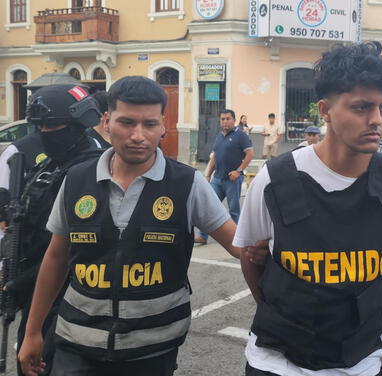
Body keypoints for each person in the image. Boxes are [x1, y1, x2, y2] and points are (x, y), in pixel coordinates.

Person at [18, 76, 241, 376]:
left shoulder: (187, 184)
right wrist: (33, 332)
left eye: (149, 124)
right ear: (107, 121)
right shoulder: (76, 181)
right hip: (77, 345)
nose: (138, 135)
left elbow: (240, 245)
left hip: (153, 351)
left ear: (163, 125)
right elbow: (56, 258)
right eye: (127, 122)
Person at [235, 41, 382, 376]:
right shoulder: (273, 180)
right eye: (361, 107)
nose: (376, 120)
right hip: (276, 363)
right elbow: (251, 259)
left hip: (360, 363)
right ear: (325, 110)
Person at [0, 84, 104, 376]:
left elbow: (75, 249)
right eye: (40, 126)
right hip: (37, 297)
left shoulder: (92, 171)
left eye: (54, 124)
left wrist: (22, 282)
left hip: (71, 303)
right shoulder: (46, 167)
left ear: (79, 123)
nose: (46, 133)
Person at [194, 109, 253, 245]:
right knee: (208, 207)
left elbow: (250, 153)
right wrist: (208, 175)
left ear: (233, 119)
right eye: (222, 119)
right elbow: (215, 156)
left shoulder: (241, 135)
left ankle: (238, 239)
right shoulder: (219, 135)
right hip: (217, 179)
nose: (225, 121)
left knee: (233, 211)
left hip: (233, 180)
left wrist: (238, 171)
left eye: (227, 118)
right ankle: (203, 236)